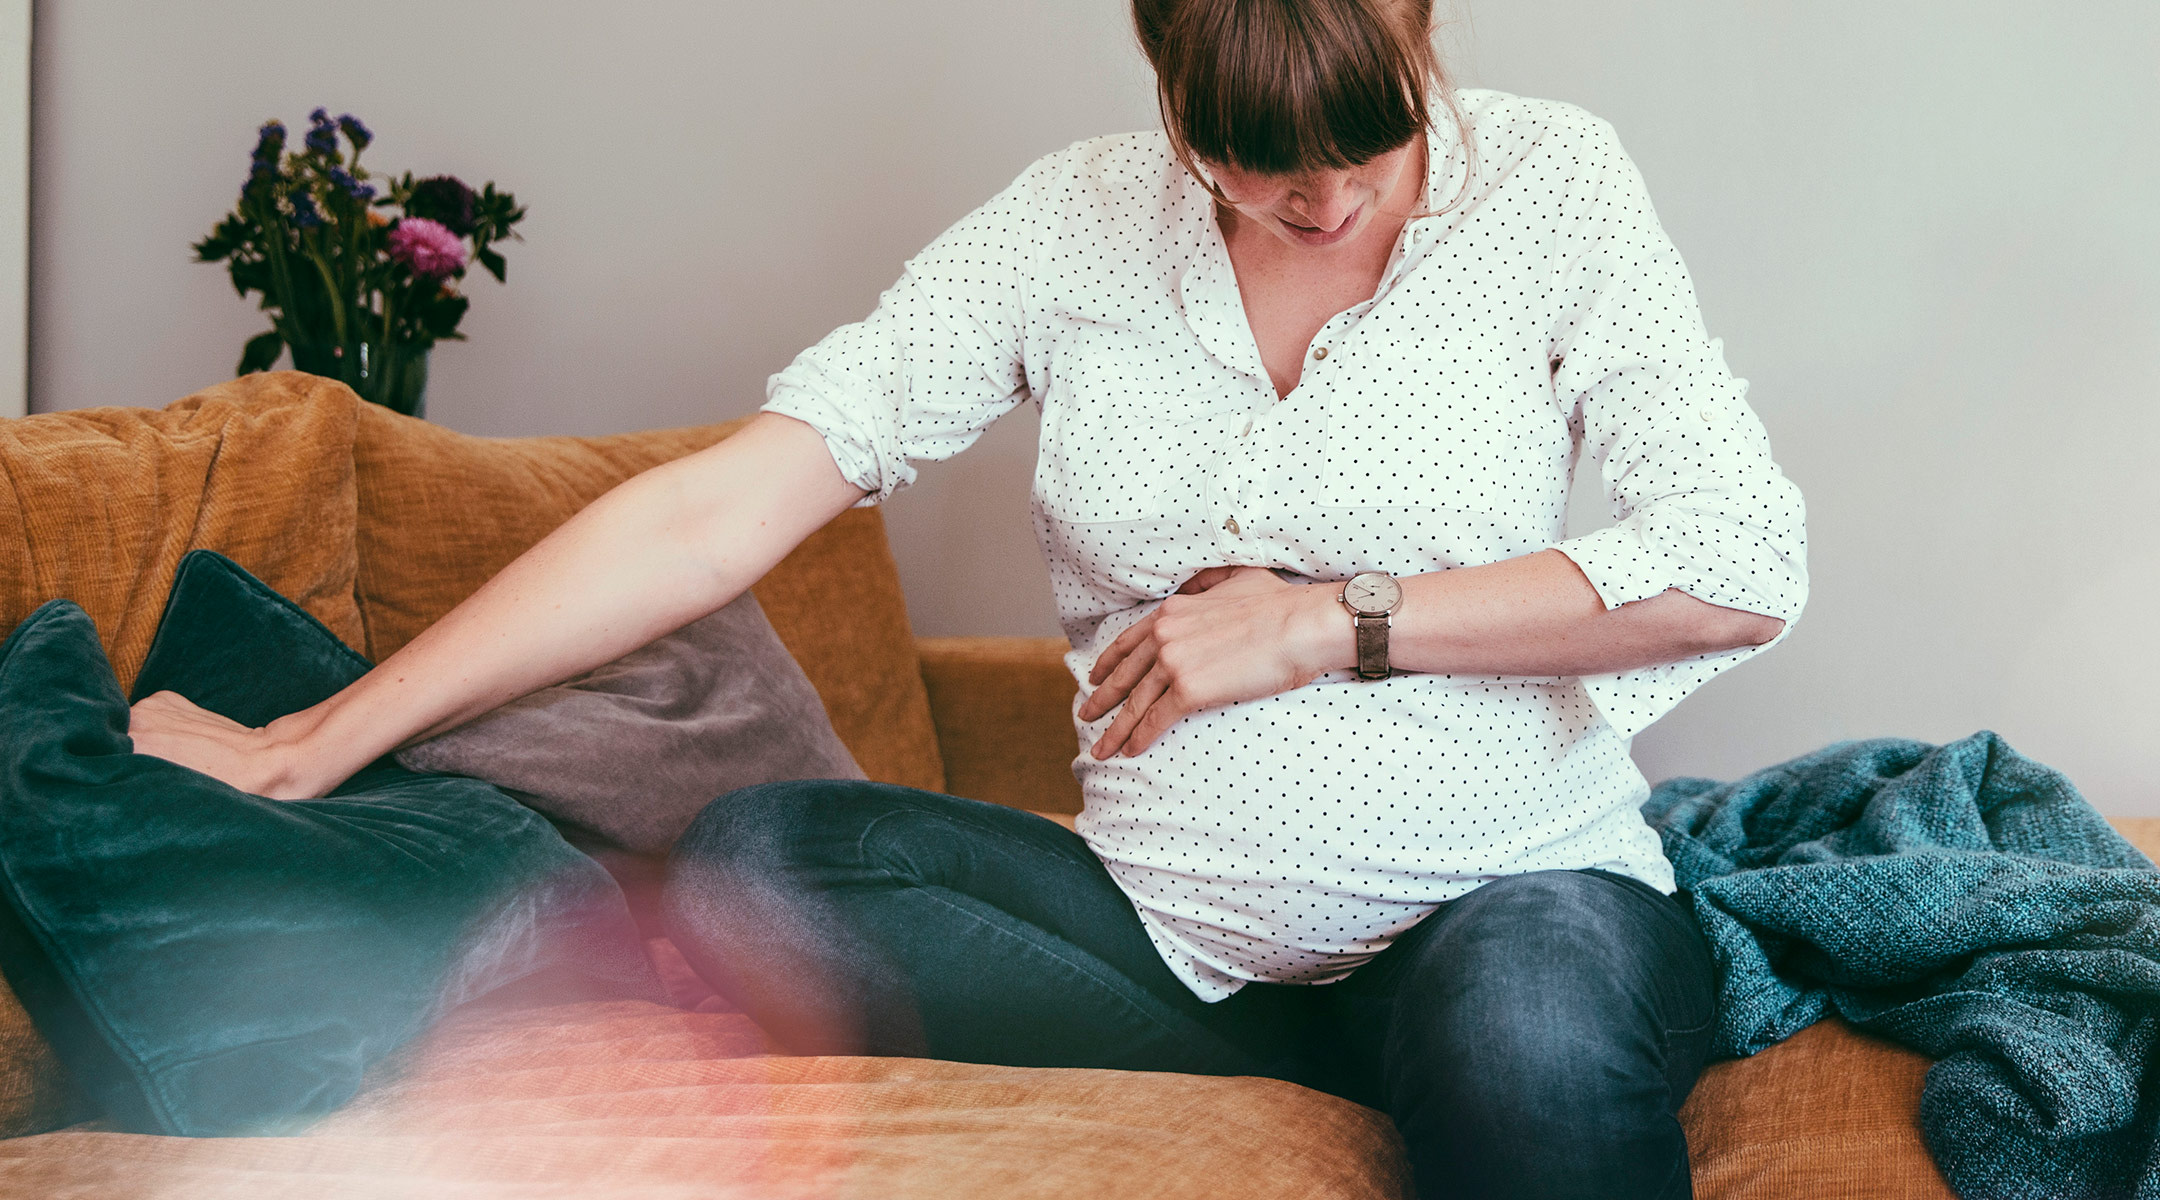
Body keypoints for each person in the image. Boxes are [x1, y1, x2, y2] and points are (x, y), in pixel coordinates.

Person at [132, 1, 1807, 1196]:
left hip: (1508, 892)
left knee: (1519, 1036)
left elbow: (1739, 558)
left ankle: (1443, 1043)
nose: (1319, 202)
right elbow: (720, 512)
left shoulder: (1553, 185)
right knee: (758, 861)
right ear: (1165, 78)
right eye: (1251, 163)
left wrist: (1328, 619)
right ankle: (1339, 1061)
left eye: (1359, 150)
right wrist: (308, 743)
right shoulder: (1065, 227)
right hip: (1175, 947)